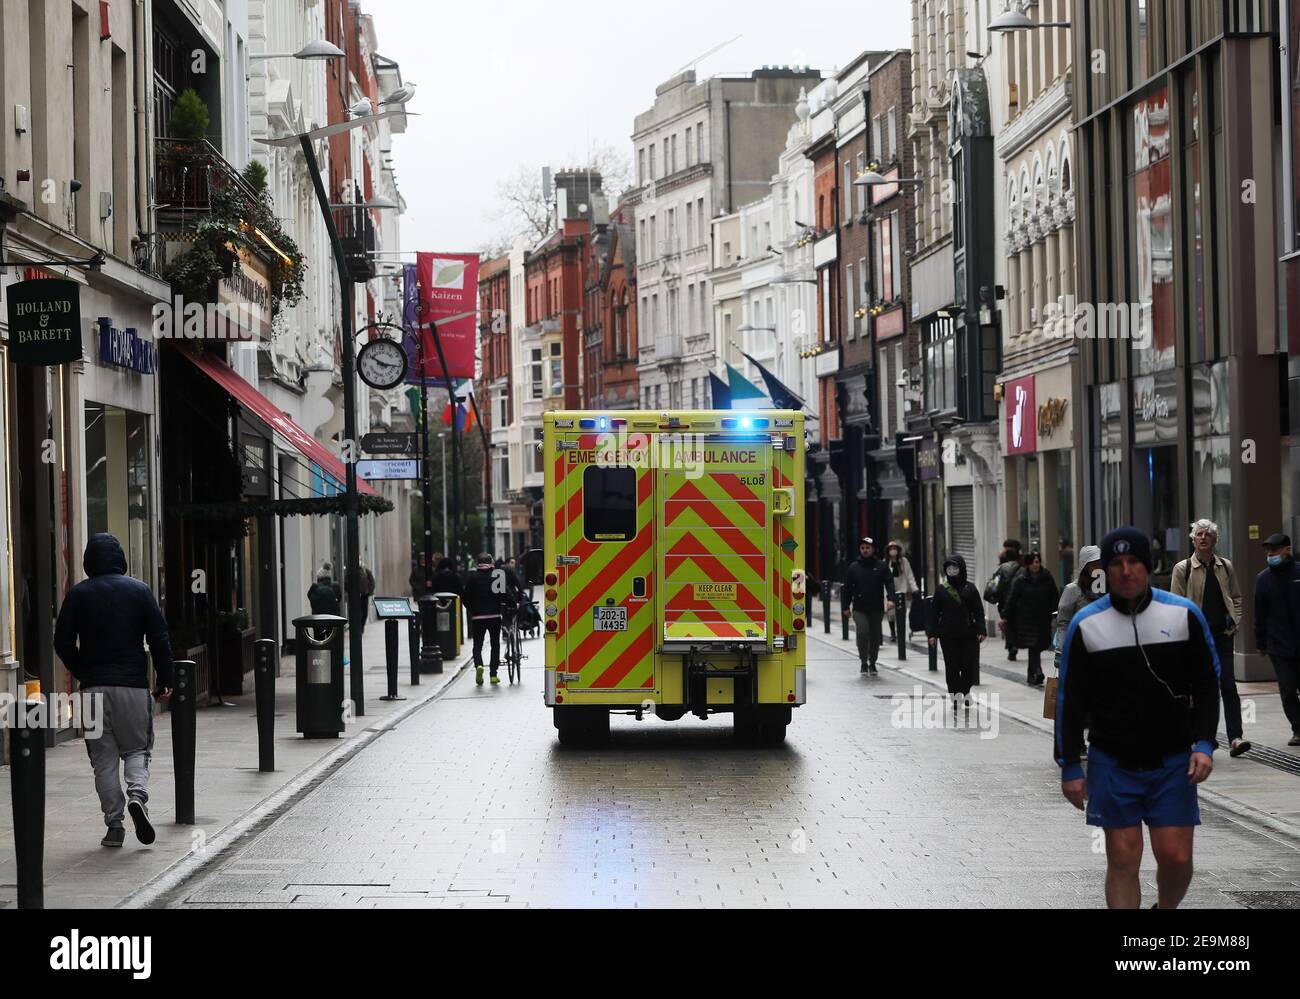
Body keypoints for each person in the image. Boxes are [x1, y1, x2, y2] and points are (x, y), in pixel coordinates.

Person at [1056, 527, 1220, 910]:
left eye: (1134, 562)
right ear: (1105, 571)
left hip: (1174, 761)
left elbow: (1208, 683)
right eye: (1116, 563)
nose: (1126, 571)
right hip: (1112, 761)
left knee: (1176, 858)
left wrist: (1205, 743)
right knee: (1123, 858)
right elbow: (1070, 701)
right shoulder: (1087, 624)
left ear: (1148, 567)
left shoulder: (1183, 616)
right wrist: (1069, 766)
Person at [53, 534, 173, 848]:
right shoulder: (139, 591)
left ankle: (115, 825)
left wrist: (83, 672)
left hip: (93, 689)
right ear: (121, 558)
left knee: (103, 761)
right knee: (136, 750)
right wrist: (165, 679)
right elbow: (159, 638)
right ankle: (137, 796)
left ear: (87, 561)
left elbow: (62, 642)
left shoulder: (78, 594)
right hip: (132, 686)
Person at [1172, 521, 1251, 757]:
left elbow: (1236, 597)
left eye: (1208, 535)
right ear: (1193, 540)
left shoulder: (1225, 567)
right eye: (1199, 534)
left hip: (1222, 637)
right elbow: (1176, 604)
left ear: (1215, 540)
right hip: (1195, 641)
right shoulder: (1182, 568)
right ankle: (1202, 737)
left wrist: (1234, 621)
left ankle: (1236, 737)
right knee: (1198, 689)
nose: (1203, 538)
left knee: (1228, 685)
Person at [1253, 533, 1300, 747]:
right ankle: (1298, 728)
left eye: (1275, 550)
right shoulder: (1263, 579)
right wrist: (1260, 642)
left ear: (1287, 549)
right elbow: (1259, 613)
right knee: (1288, 689)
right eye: (1268, 551)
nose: (1270, 554)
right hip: (1279, 645)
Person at [926, 555, 987, 706]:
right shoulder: (941, 590)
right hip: (948, 635)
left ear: (962, 569)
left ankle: (965, 691)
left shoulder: (970, 588)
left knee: (968, 666)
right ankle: (955, 695)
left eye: (955, 568)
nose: (952, 571)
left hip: (968, 634)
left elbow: (978, 611)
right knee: (952, 667)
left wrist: (981, 629)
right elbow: (933, 614)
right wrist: (932, 634)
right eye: (949, 568)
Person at [1003, 551, 1059, 687]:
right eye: (1033, 562)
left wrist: (1055, 613)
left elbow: (1054, 595)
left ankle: (1031, 674)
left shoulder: (1047, 577)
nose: (1035, 564)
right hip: (1026, 619)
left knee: (1037, 646)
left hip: (1042, 618)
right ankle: (1038, 671)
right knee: (1033, 645)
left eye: (1037, 562)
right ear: (1028, 564)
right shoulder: (1021, 580)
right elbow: (1012, 599)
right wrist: (1005, 615)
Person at [841, 537, 895, 675]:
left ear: (873, 549)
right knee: (863, 632)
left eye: (868, 548)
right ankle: (863, 661)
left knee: (875, 636)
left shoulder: (881, 566)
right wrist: (845, 607)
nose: (865, 550)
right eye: (862, 548)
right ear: (860, 550)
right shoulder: (854, 567)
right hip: (859, 608)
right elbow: (847, 588)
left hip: (876, 608)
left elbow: (889, 583)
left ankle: (873, 662)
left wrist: (890, 599)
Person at [461, 553, 515, 686]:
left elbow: (465, 597)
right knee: (494, 645)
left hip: (478, 617)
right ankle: (493, 674)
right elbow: (505, 595)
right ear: (491, 562)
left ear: (478, 563)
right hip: (494, 616)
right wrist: (513, 604)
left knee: (477, 645)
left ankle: (479, 665)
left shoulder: (472, 577)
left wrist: (472, 609)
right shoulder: (497, 575)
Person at [1053, 545, 1104, 673]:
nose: (1098, 568)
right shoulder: (1073, 589)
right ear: (1085, 566)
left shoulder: (1106, 588)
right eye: (1094, 564)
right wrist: (1060, 651)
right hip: (1078, 648)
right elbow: (1063, 622)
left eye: (1100, 564)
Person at [987, 540, 1025, 661]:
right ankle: (1014, 644)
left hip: (1004, 600)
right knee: (1015, 622)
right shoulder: (1022, 569)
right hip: (1018, 601)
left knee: (1007, 622)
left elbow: (995, 583)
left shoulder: (1002, 568)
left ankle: (1011, 646)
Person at [884, 541, 918, 641]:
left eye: (895, 548)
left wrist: (914, 589)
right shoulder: (885, 562)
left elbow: (910, 576)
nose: (893, 550)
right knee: (891, 614)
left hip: (902, 591)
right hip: (890, 592)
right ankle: (892, 633)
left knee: (901, 613)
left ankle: (900, 632)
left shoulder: (904, 561)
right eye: (891, 548)